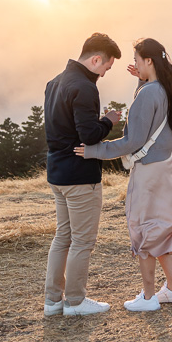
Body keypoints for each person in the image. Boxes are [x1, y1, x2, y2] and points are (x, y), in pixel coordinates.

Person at [75, 37, 172, 312]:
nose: (135, 64)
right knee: (160, 228)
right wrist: (141, 82)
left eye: (137, 59)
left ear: (148, 61)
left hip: (148, 174)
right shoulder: (165, 88)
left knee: (143, 229)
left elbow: (133, 141)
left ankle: (149, 296)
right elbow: (152, 122)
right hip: (163, 169)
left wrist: (95, 150)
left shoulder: (149, 93)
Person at [43, 32, 123, 317]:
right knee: (82, 241)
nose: (104, 74)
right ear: (97, 59)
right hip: (79, 177)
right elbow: (89, 136)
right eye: (106, 68)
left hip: (57, 173)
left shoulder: (54, 83)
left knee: (62, 237)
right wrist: (109, 121)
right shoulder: (85, 88)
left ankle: (52, 301)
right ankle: (75, 302)